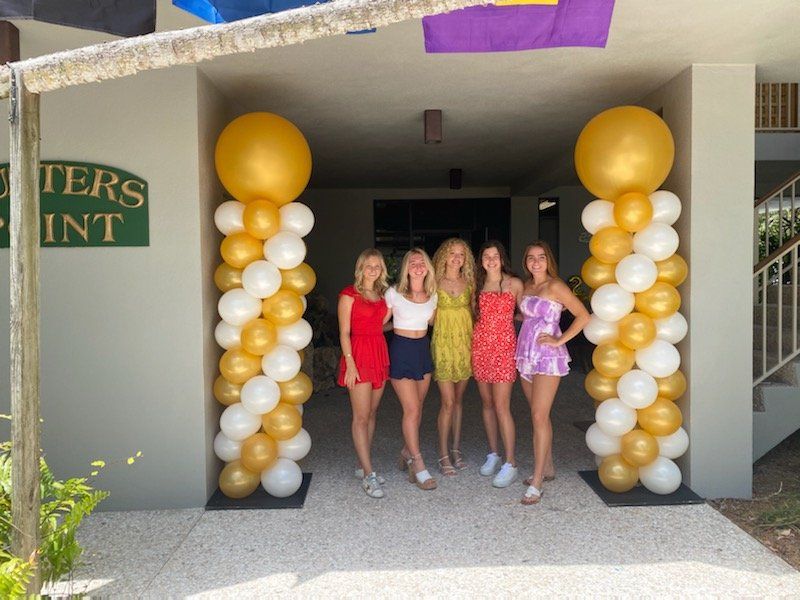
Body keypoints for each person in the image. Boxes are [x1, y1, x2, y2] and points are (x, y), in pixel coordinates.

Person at [516, 241, 590, 505]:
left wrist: (560, 341)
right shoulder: (525, 287)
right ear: (525, 261)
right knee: (537, 414)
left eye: (541, 257)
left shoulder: (556, 286)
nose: (536, 262)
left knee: (539, 414)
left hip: (547, 356)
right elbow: (523, 317)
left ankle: (536, 481)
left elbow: (583, 316)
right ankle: (547, 467)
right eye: (531, 257)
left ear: (549, 261)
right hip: (526, 353)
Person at [337, 249, 392, 499]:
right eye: (368, 266)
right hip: (357, 354)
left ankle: (363, 464)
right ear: (361, 268)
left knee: (371, 413)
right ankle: (369, 474)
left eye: (377, 266)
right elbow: (344, 333)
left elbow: (381, 325)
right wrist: (350, 364)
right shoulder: (349, 295)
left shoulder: (382, 296)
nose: (373, 270)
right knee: (360, 417)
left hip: (378, 352)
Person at [471, 240, 523, 488]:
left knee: (502, 406)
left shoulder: (514, 283)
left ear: (502, 259)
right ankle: (494, 453)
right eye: (486, 256)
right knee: (487, 404)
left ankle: (511, 462)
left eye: (495, 256)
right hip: (481, 347)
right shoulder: (477, 285)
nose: (491, 260)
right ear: (481, 261)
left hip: (504, 348)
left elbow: (526, 312)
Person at [385, 248, 438, 491]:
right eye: (413, 262)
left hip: (422, 350)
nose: (418, 266)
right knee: (412, 408)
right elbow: (381, 323)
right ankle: (418, 463)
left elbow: (435, 323)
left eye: (422, 262)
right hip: (402, 350)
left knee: (418, 410)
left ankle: (407, 451)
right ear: (406, 267)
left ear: (427, 267)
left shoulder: (433, 295)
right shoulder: (393, 293)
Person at [431, 238, 475, 476]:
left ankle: (456, 449)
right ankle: (443, 453)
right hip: (443, 346)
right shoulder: (434, 282)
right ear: (444, 257)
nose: (456, 258)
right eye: (452, 254)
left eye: (461, 254)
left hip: (465, 345)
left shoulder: (470, 282)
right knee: (447, 402)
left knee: (458, 402)